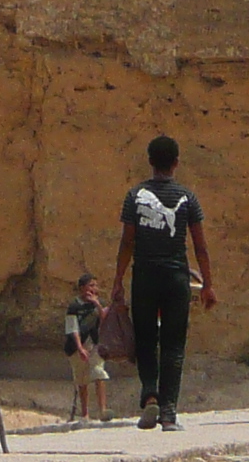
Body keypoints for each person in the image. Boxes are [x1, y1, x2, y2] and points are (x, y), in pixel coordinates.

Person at [112, 132, 215, 431]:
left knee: (145, 340)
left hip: (144, 276)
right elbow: (200, 246)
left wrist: (118, 280)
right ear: (176, 163)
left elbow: (127, 243)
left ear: (150, 162)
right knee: (173, 344)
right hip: (176, 278)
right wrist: (208, 283)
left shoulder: (134, 196)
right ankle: (169, 413)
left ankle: (150, 396)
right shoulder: (187, 198)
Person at [62, 272, 112, 424]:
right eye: (91, 285)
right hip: (78, 346)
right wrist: (80, 348)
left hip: (95, 344)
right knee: (82, 378)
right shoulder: (74, 306)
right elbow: (73, 328)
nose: (94, 289)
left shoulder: (98, 303)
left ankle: (102, 410)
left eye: (95, 286)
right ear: (82, 288)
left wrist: (97, 304)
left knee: (99, 372)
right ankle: (85, 414)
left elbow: (105, 319)